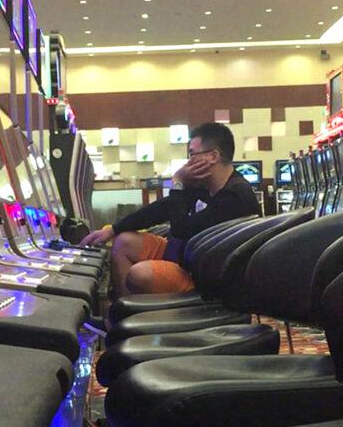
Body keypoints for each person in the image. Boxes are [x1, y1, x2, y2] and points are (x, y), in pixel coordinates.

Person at [79, 122, 260, 297]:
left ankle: (138, 320)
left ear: (212, 156)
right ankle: (124, 316)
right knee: (123, 241)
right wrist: (113, 229)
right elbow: (163, 209)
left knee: (139, 274)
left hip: (203, 277)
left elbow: (181, 229)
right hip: (185, 255)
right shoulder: (206, 186)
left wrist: (178, 182)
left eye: (192, 154)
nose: (188, 162)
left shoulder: (236, 197)